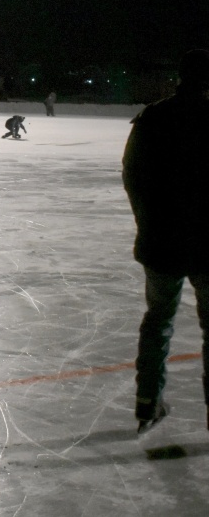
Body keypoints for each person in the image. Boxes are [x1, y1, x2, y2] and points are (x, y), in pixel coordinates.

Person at [122, 49, 209, 433]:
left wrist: (148, 222)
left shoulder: (153, 117)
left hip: (161, 243)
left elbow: (132, 175)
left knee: (158, 322)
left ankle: (147, 404)